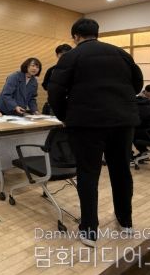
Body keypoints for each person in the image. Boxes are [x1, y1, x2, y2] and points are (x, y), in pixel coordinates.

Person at [47, 18, 143, 247]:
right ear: (97, 33)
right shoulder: (121, 54)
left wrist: (65, 116)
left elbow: (55, 91)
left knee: (88, 174)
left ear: (75, 36)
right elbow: (138, 84)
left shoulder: (71, 56)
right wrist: (119, 102)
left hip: (87, 124)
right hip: (122, 122)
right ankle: (126, 222)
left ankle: (89, 230)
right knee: (121, 171)